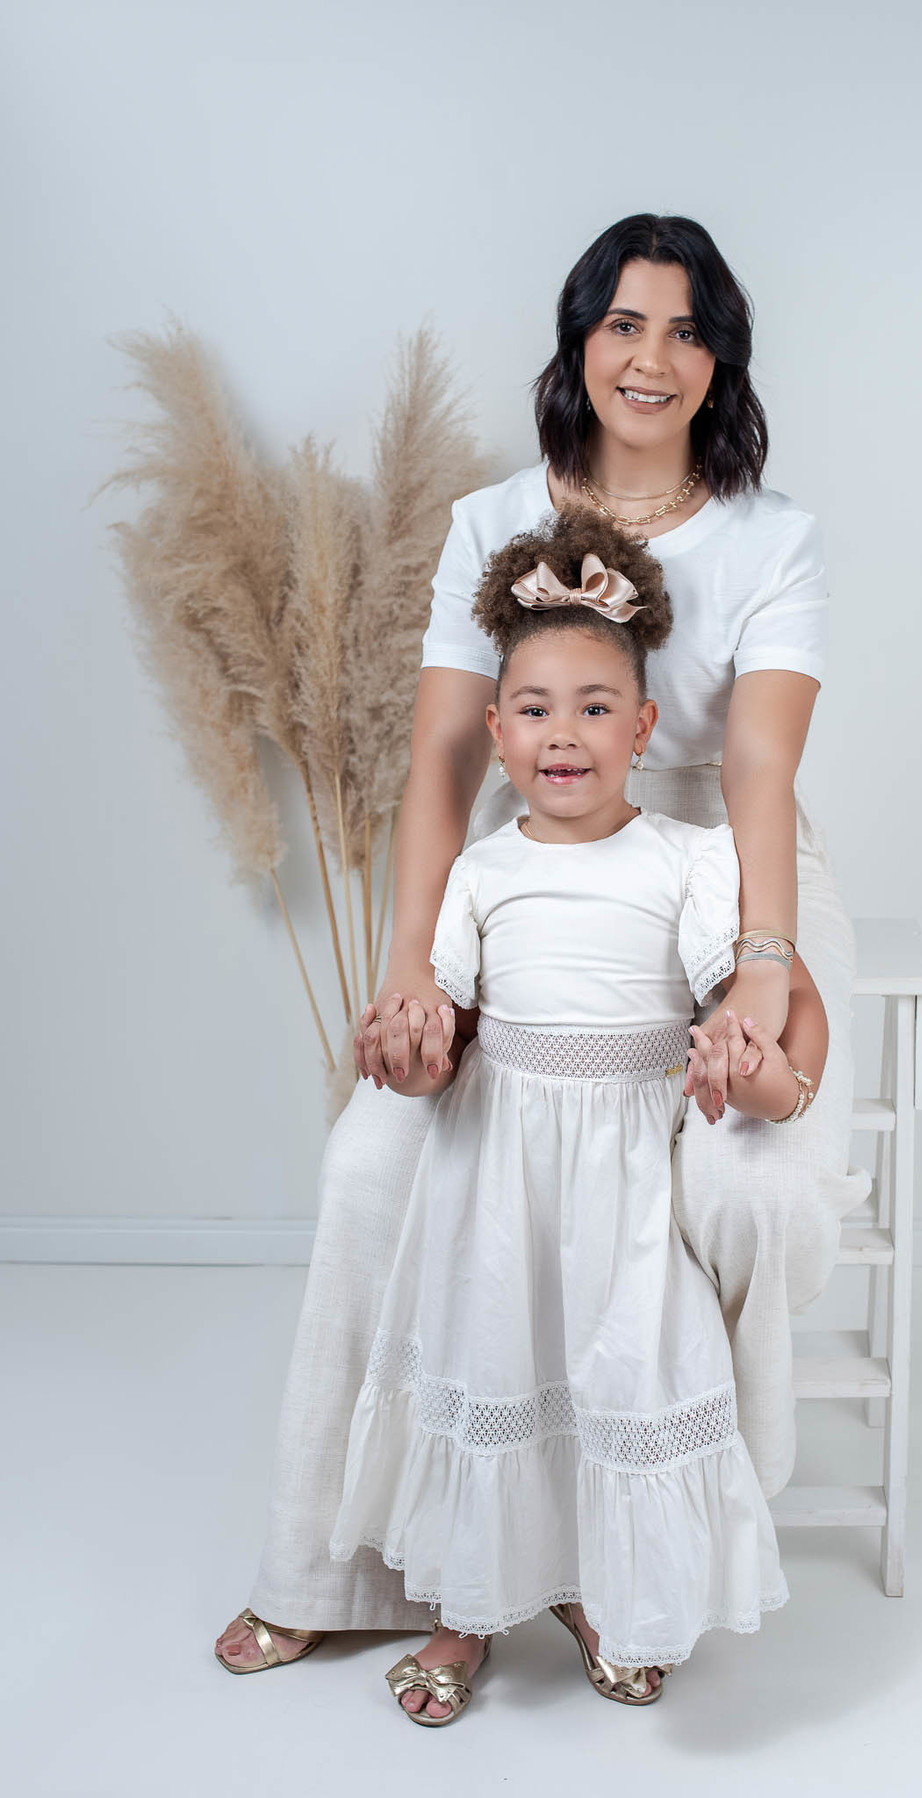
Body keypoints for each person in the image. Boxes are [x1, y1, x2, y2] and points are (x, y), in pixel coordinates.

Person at [215, 212, 870, 1683]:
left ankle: (654, 1535)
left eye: (688, 331)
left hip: (729, 861)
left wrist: (762, 963)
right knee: (370, 1162)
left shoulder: (772, 535)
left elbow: (756, 767)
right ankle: (337, 1560)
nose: (653, 356)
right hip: (537, 865)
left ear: (721, 363)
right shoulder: (492, 517)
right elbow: (450, 758)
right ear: (580, 341)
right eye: (624, 322)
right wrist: (412, 967)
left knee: (744, 1181)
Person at [326, 505, 828, 1721]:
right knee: (495, 1364)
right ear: (497, 733)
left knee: (616, 1379)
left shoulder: (690, 861)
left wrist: (744, 1060)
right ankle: (464, 1610)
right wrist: (405, 1052)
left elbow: (764, 1025)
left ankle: (602, 1590)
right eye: (537, 709)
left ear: (644, 729)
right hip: (498, 1179)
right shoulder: (479, 873)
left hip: (626, 1180)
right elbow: (442, 1034)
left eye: (597, 707)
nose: (565, 733)